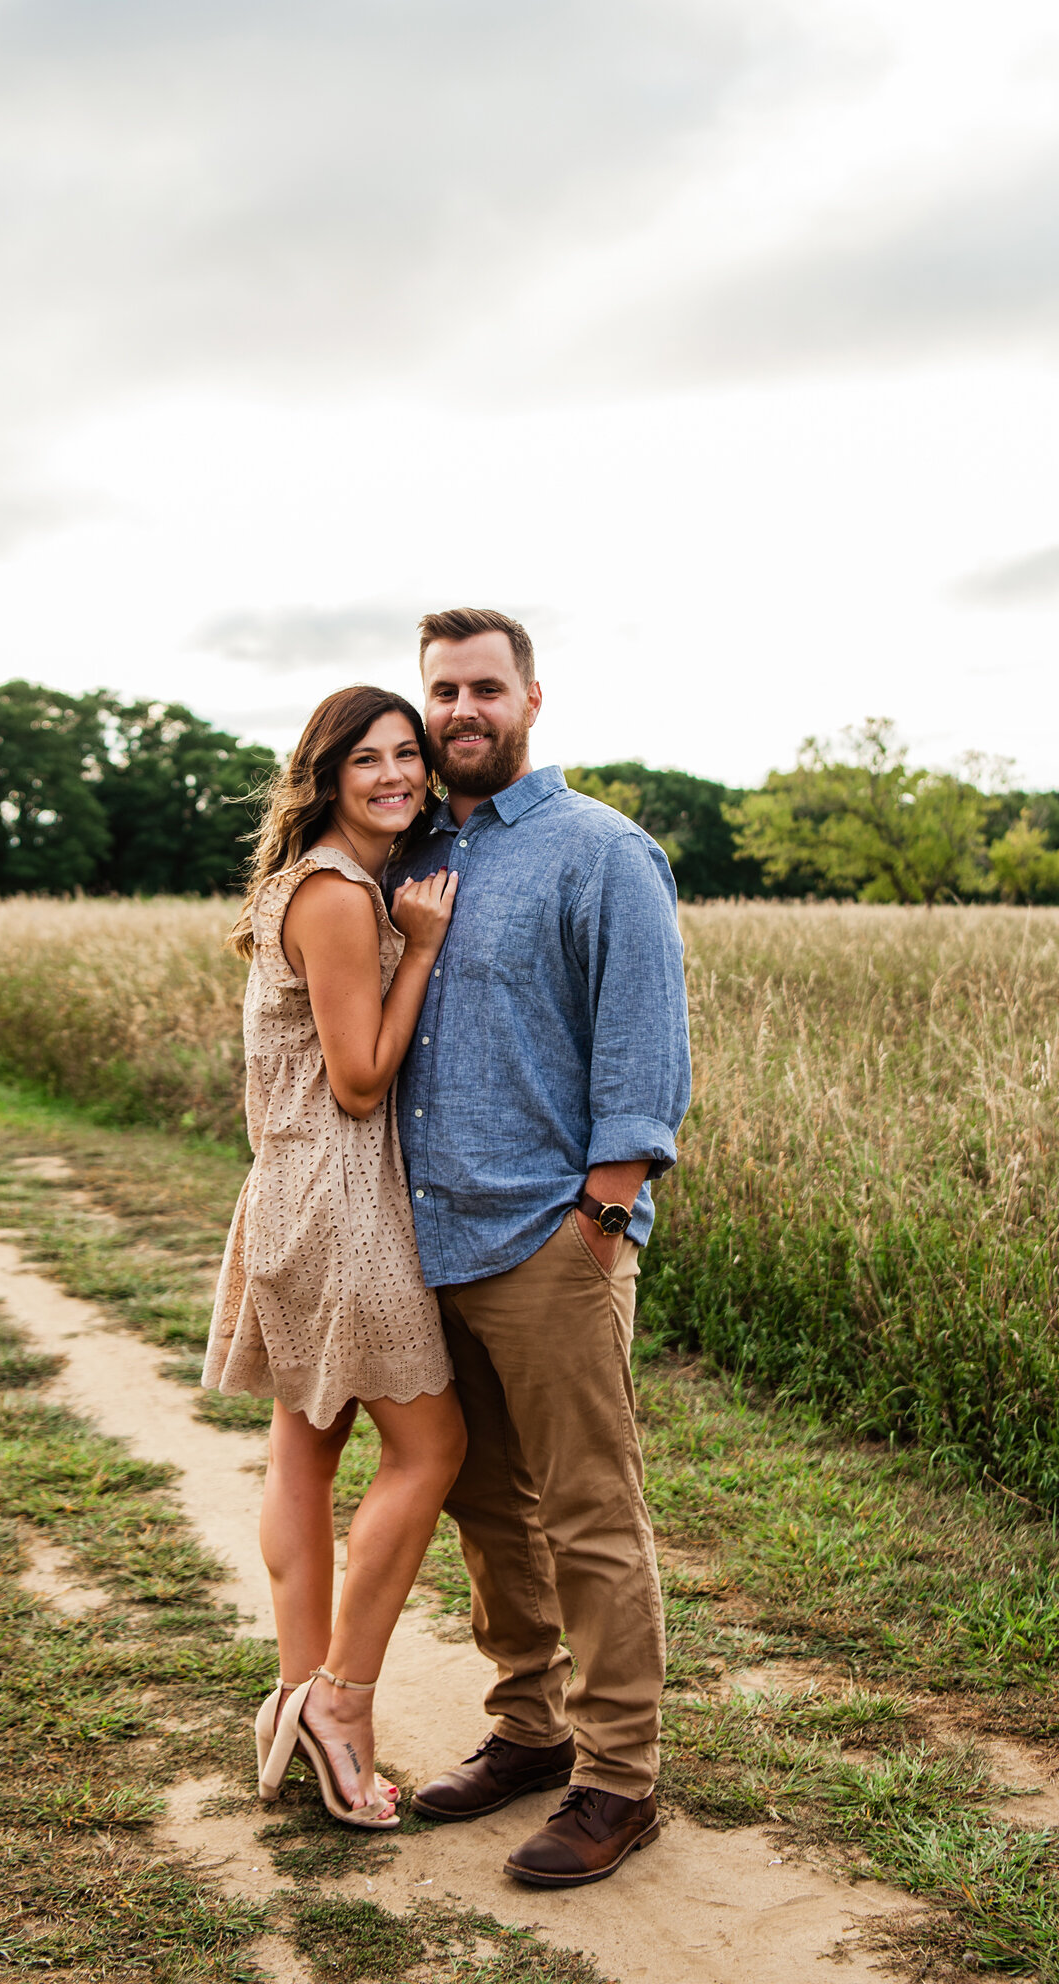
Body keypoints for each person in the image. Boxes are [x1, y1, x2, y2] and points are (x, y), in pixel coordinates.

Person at [392, 606, 691, 1888]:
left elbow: (642, 1054)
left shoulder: (600, 852)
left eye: (482, 688)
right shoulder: (406, 850)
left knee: (587, 1511)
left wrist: (600, 1217)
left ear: (530, 698)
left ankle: (618, 1776)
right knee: (479, 1503)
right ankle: (527, 1725)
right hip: (427, 1240)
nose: (460, 711)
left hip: (548, 1244)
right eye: (441, 691)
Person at [203, 685, 467, 1830]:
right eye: (369, 758)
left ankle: (296, 1690)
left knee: (304, 1454)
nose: (397, 774)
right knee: (431, 1445)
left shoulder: (310, 880)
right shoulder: (339, 891)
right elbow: (360, 1079)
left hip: (293, 1193)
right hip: (342, 1202)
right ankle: (341, 1700)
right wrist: (424, 947)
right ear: (325, 772)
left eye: (409, 754)